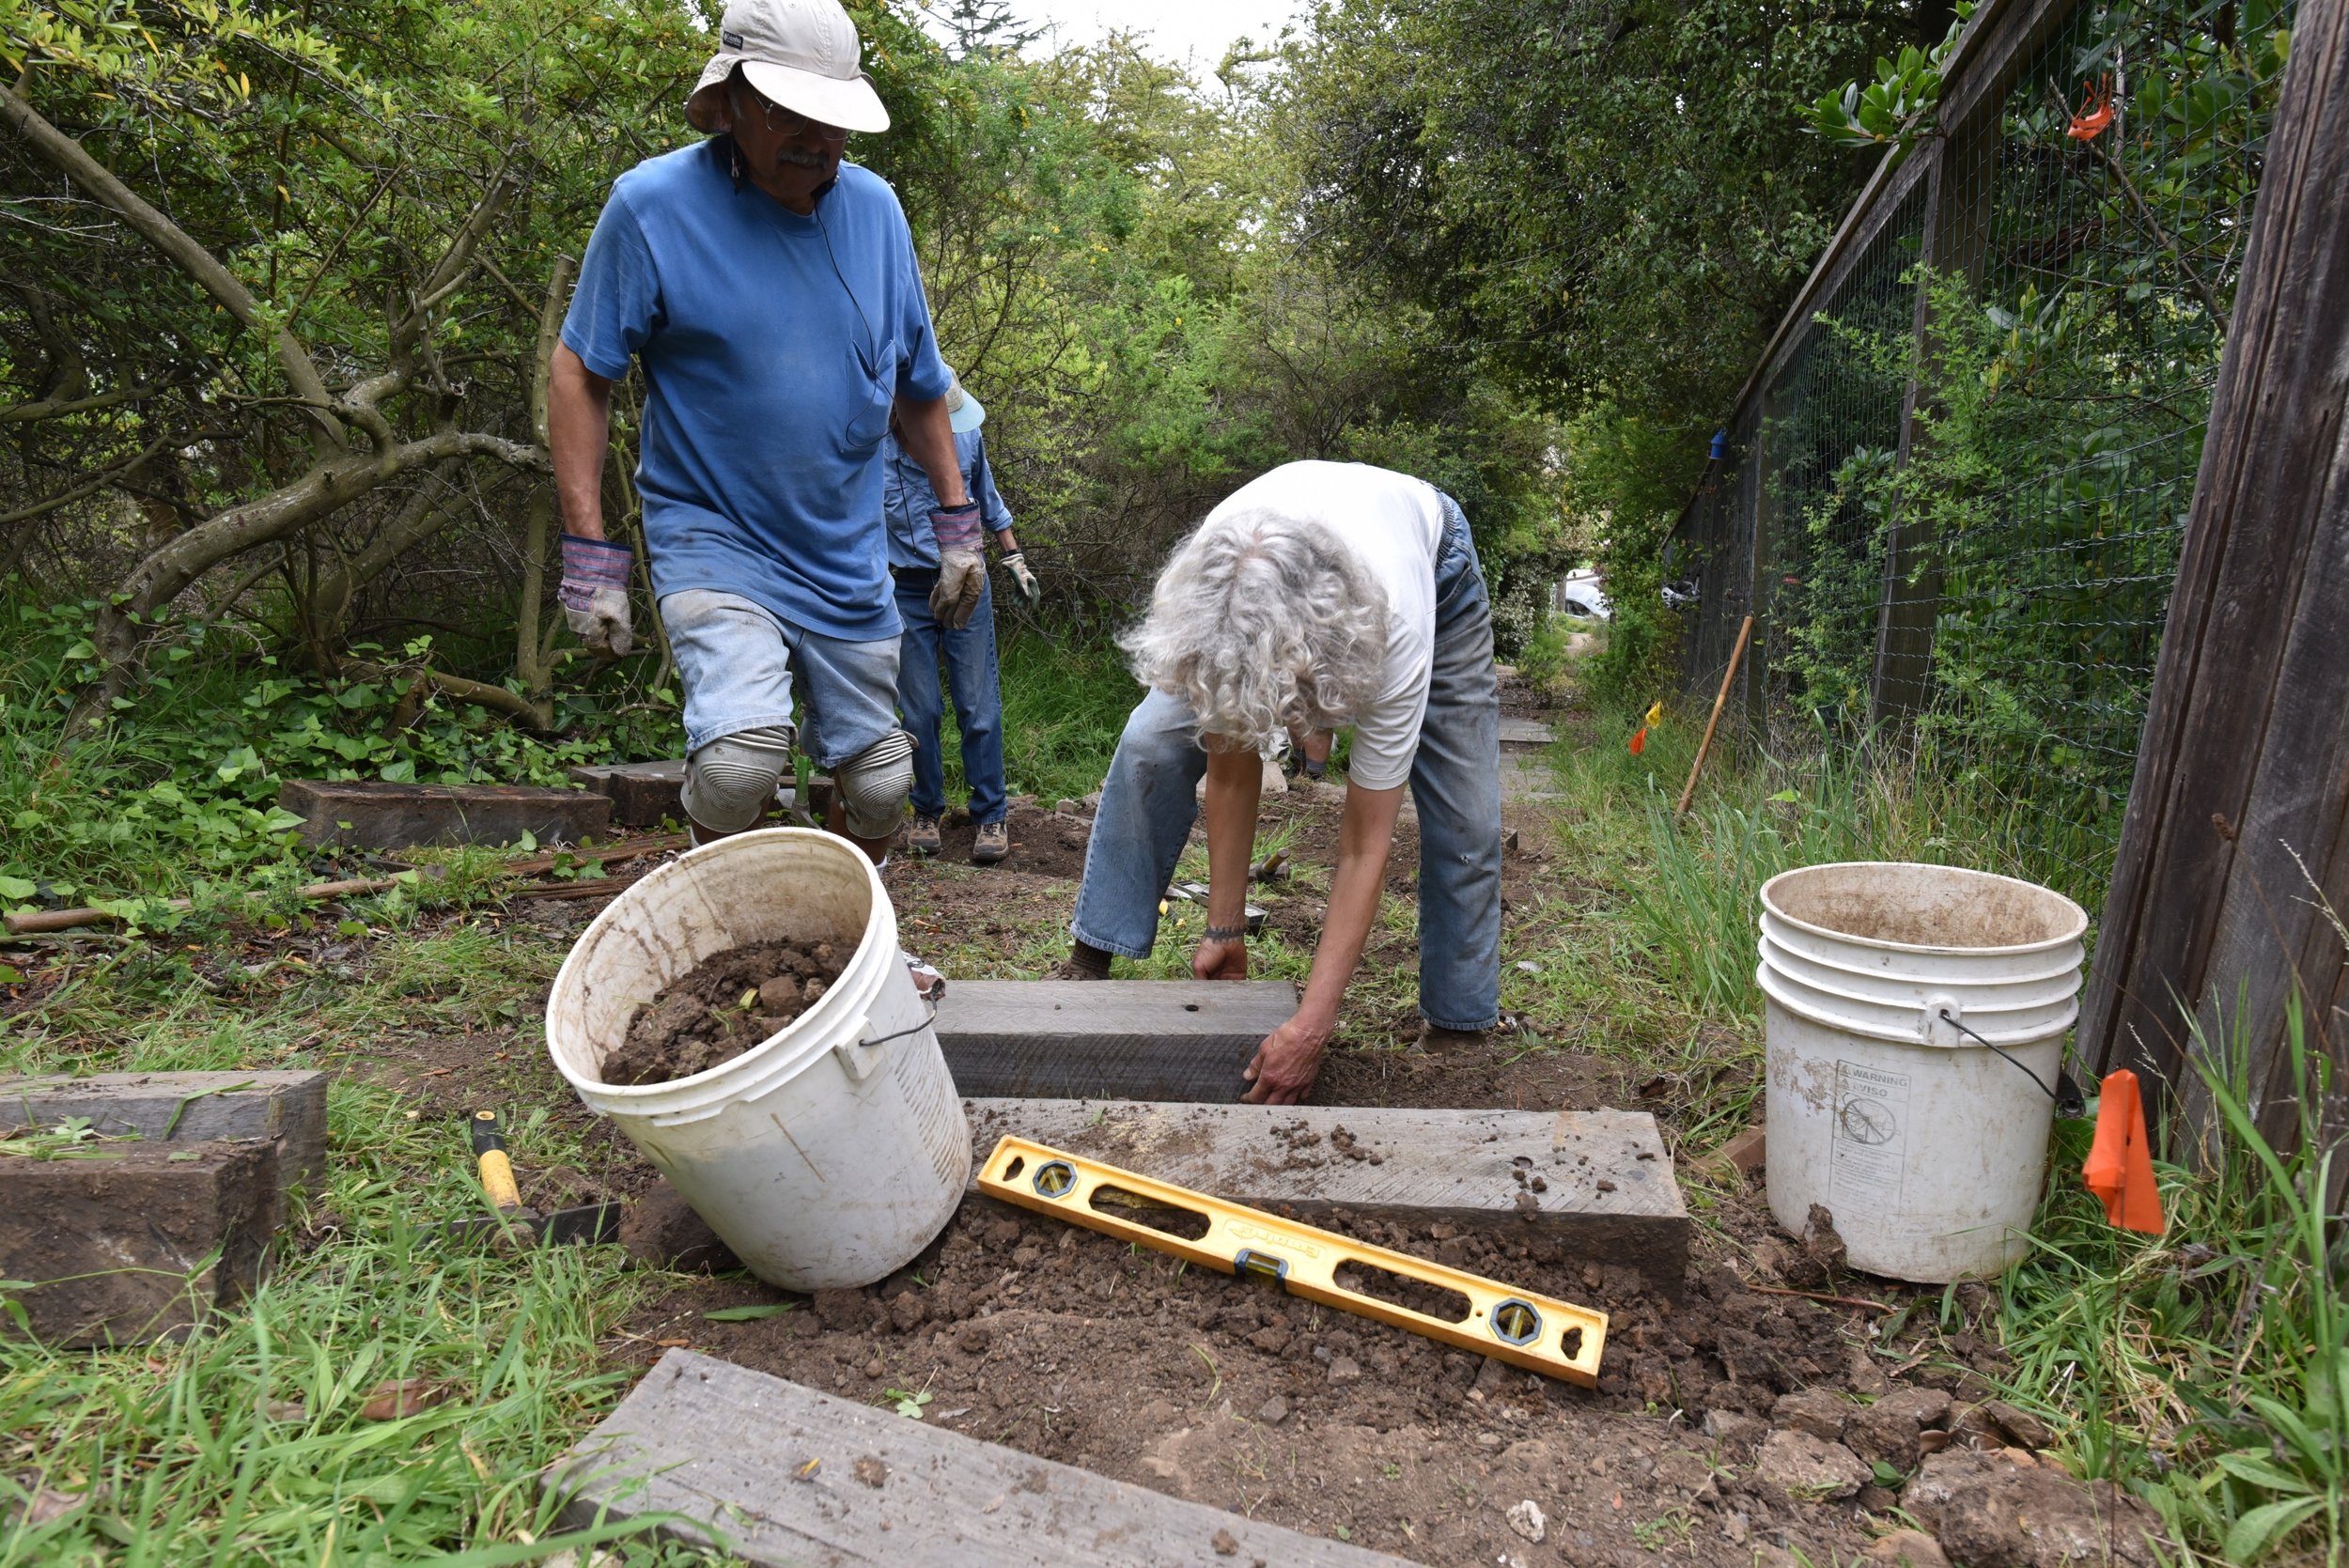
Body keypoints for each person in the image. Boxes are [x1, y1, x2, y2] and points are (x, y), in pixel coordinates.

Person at [547, 0, 990, 863]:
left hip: (843, 551)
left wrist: (959, 528)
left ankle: (843, 931)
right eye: (792, 113)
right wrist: (589, 557)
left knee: (882, 783)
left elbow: (920, 384)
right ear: (734, 97)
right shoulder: (653, 206)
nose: (818, 140)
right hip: (713, 535)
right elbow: (580, 370)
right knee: (740, 760)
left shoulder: (876, 213)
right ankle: (729, 923)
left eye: (835, 121)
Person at [1054, 460, 1503, 1105]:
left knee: (1468, 821)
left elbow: (1363, 843)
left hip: (1434, 570)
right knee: (1151, 741)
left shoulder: (1397, 624)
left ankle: (1459, 1037)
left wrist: (1312, 1025)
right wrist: (1224, 928)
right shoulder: (1222, 593)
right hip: (1264, 580)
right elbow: (1232, 762)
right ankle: (1090, 956)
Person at [881, 374, 1040, 865]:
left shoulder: (967, 436)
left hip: (967, 578)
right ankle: (926, 811)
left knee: (978, 704)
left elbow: (986, 496)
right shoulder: (873, 451)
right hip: (905, 586)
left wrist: (1013, 557)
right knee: (920, 710)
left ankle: (991, 814)